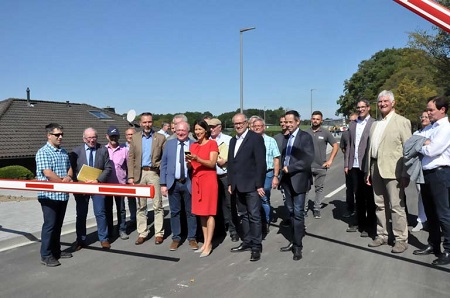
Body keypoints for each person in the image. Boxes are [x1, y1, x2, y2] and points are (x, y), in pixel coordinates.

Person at [366, 90, 411, 253]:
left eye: (385, 101)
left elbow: (408, 150)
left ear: (393, 103)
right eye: (380, 101)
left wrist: (406, 173)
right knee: (379, 205)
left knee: (396, 206)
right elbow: (371, 150)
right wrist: (368, 172)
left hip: (394, 170)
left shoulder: (402, 122)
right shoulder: (375, 124)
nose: (382, 104)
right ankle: (382, 235)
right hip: (375, 168)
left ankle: (401, 239)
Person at [414, 96, 450, 266]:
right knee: (431, 214)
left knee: (443, 214)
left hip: (440, 174)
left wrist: (421, 146)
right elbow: (418, 140)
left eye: (431, 110)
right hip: (426, 174)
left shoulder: (446, 128)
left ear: (442, 110)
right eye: (427, 110)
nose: (428, 113)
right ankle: (433, 244)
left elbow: (432, 150)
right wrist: (423, 143)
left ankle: (448, 250)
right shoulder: (433, 128)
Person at [228, 113, 266, 262]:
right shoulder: (233, 140)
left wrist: (259, 184)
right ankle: (247, 241)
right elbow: (231, 163)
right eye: (236, 124)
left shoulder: (255, 138)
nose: (238, 126)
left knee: (254, 215)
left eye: (241, 123)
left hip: (252, 185)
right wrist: (231, 182)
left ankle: (256, 246)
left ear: (246, 123)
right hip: (237, 185)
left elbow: (260, 164)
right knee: (243, 215)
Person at [36, 123, 73, 267]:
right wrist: (62, 181)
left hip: (62, 195)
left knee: (58, 225)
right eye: (57, 135)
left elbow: (69, 167)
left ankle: (56, 251)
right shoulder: (43, 152)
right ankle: (46, 255)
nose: (60, 137)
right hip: (49, 196)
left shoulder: (63, 151)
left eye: (61, 134)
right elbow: (47, 173)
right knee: (50, 225)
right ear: (49, 135)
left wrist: (68, 177)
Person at [279, 110, 314, 261]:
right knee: (291, 212)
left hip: (299, 180)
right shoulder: (287, 138)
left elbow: (308, 159)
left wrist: (290, 168)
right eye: (286, 122)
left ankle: (298, 246)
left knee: (298, 213)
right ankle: (293, 240)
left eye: (290, 122)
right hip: (287, 181)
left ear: (297, 121)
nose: (287, 125)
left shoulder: (304, 137)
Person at [70, 127, 112, 250]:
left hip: (97, 186)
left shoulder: (103, 150)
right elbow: (71, 169)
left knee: (100, 213)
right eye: (89, 138)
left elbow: (108, 168)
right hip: (81, 187)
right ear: (84, 138)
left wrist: (98, 180)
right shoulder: (76, 151)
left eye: (94, 137)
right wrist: (76, 183)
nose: (92, 140)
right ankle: (80, 240)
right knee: (81, 214)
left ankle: (104, 239)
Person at [127, 112, 166, 245]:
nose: (147, 124)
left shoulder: (160, 138)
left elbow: (164, 158)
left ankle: (159, 233)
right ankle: (142, 232)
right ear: (140, 123)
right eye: (144, 122)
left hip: (154, 173)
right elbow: (130, 158)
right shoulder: (135, 138)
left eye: (149, 122)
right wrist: (131, 176)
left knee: (157, 205)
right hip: (139, 175)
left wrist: (160, 167)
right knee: (141, 206)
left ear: (152, 122)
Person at [160, 121, 198, 251]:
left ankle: (192, 238)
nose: (181, 133)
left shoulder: (194, 145)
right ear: (174, 131)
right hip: (173, 183)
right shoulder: (169, 144)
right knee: (175, 212)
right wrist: (163, 184)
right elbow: (163, 164)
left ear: (188, 131)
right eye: (178, 130)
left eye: (183, 131)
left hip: (189, 182)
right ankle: (176, 238)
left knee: (191, 212)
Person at [186, 119, 219, 258]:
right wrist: (188, 162)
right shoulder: (193, 146)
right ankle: (205, 242)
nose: (198, 132)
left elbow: (212, 163)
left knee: (210, 212)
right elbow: (191, 166)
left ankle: (209, 243)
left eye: (200, 129)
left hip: (209, 181)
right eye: (196, 129)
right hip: (196, 180)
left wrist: (197, 159)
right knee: (201, 213)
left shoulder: (212, 143)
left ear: (206, 130)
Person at [344, 101, 376, 238]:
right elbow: (349, 146)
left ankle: (371, 225)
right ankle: (361, 223)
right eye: (359, 107)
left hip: (367, 165)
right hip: (354, 165)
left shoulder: (374, 123)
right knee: (359, 196)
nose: (361, 109)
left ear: (368, 108)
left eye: (363, 107)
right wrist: (347, 164)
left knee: (370, 197)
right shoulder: (353, 124)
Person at [208, 118, 239, 242]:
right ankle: (219, 230)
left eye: (214, 126)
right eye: (210, 127)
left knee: (230, 204)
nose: (212, 129)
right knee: (215, 205)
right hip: (211, 176)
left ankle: (233, 230)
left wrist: (225, 160)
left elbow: (235, 157)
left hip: (225, 175)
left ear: (220, 127)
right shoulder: (207, 141)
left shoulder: (228, 140)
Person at [305, 111, 339, 219]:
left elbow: (335, 145)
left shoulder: (325, 133)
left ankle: (316, 208)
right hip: (307, 167)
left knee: (319, 189)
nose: (315, 120)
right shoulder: (305, 133)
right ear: (311, 119)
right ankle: (304, 209)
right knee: (305, 189)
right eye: (313, 118)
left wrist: (330, 161)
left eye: (317, 119)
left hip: (321, 166)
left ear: (321, 120)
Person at [253, 118, 281, 234]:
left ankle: (266, 222)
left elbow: (276, 159)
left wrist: (275, 176)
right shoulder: (249, 141)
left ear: (264, 127)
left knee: (264, 198)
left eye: (260, 126)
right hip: (253, 174)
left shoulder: (270, 141)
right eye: (255, 126)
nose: (257, 128)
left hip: (267, 173)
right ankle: (256, 222)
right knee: (254, 199)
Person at [104, 126, 129, 240]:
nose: (113, 138)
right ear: (107, 136)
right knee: (107, 209)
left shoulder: (124, 150)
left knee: (121, 209)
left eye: (115, 136)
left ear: (118, 137)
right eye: (111, 136)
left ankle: (122, 230)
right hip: (107, 185)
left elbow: (129, 167)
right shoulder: (103, 150)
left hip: (120, 184)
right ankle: (109, 230)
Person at [411, 110, 431, 232]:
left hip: (432, 168)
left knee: (435, 196)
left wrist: (420, 146)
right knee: (421, 195)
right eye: (422, 116)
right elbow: (413, 149)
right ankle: (421, 220)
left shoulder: (434, 131)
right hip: (419, 168)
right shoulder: (416, 133)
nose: (423, 118)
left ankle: (436, 221)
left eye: (426, 117)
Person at [341, 113, 357, 219]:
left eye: (354, 121)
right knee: (349, 189)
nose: (351, 123)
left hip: (360, 166)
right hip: (349, 166)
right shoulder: (345, 134)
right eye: (350, 121)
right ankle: (350, 208)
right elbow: (343, 148)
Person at [123, 127, 137, 225]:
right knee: (130, 199)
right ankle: (133, 218)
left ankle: (142, 217)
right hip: (126, 176)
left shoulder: (139, 145)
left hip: (138, 175)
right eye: (128, 134)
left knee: (141, 198)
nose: (130, 136)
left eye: (132, 134)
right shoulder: (122, 147)